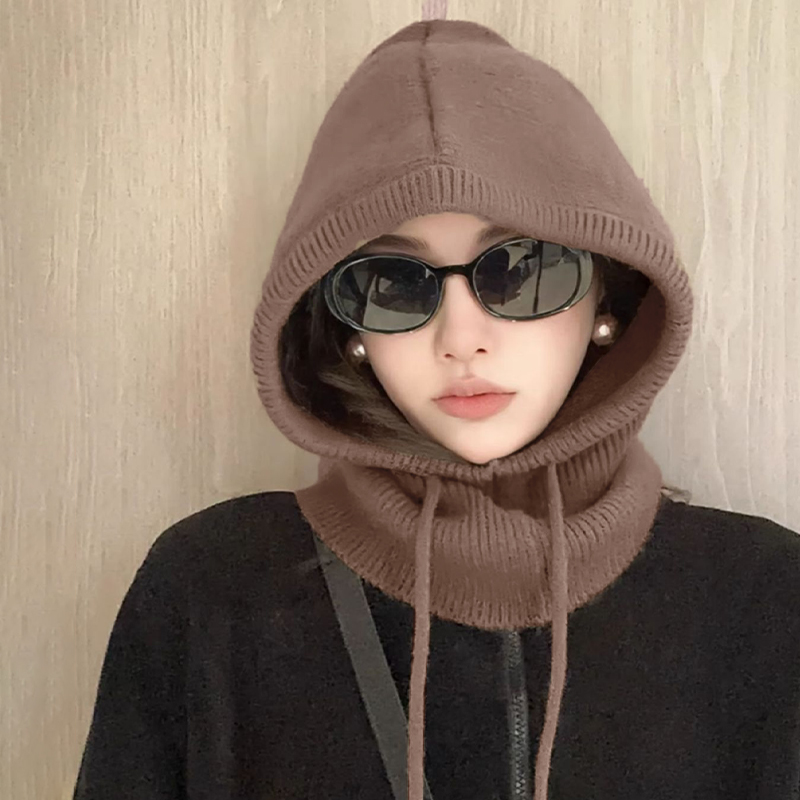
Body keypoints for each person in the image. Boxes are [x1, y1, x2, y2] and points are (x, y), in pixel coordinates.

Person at [72, 18, 800, 800]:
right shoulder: (214, 588)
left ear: (607, 298)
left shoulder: (765, 597)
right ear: (348, 330)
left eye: (522, 268)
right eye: (394, 283)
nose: (461, 339)